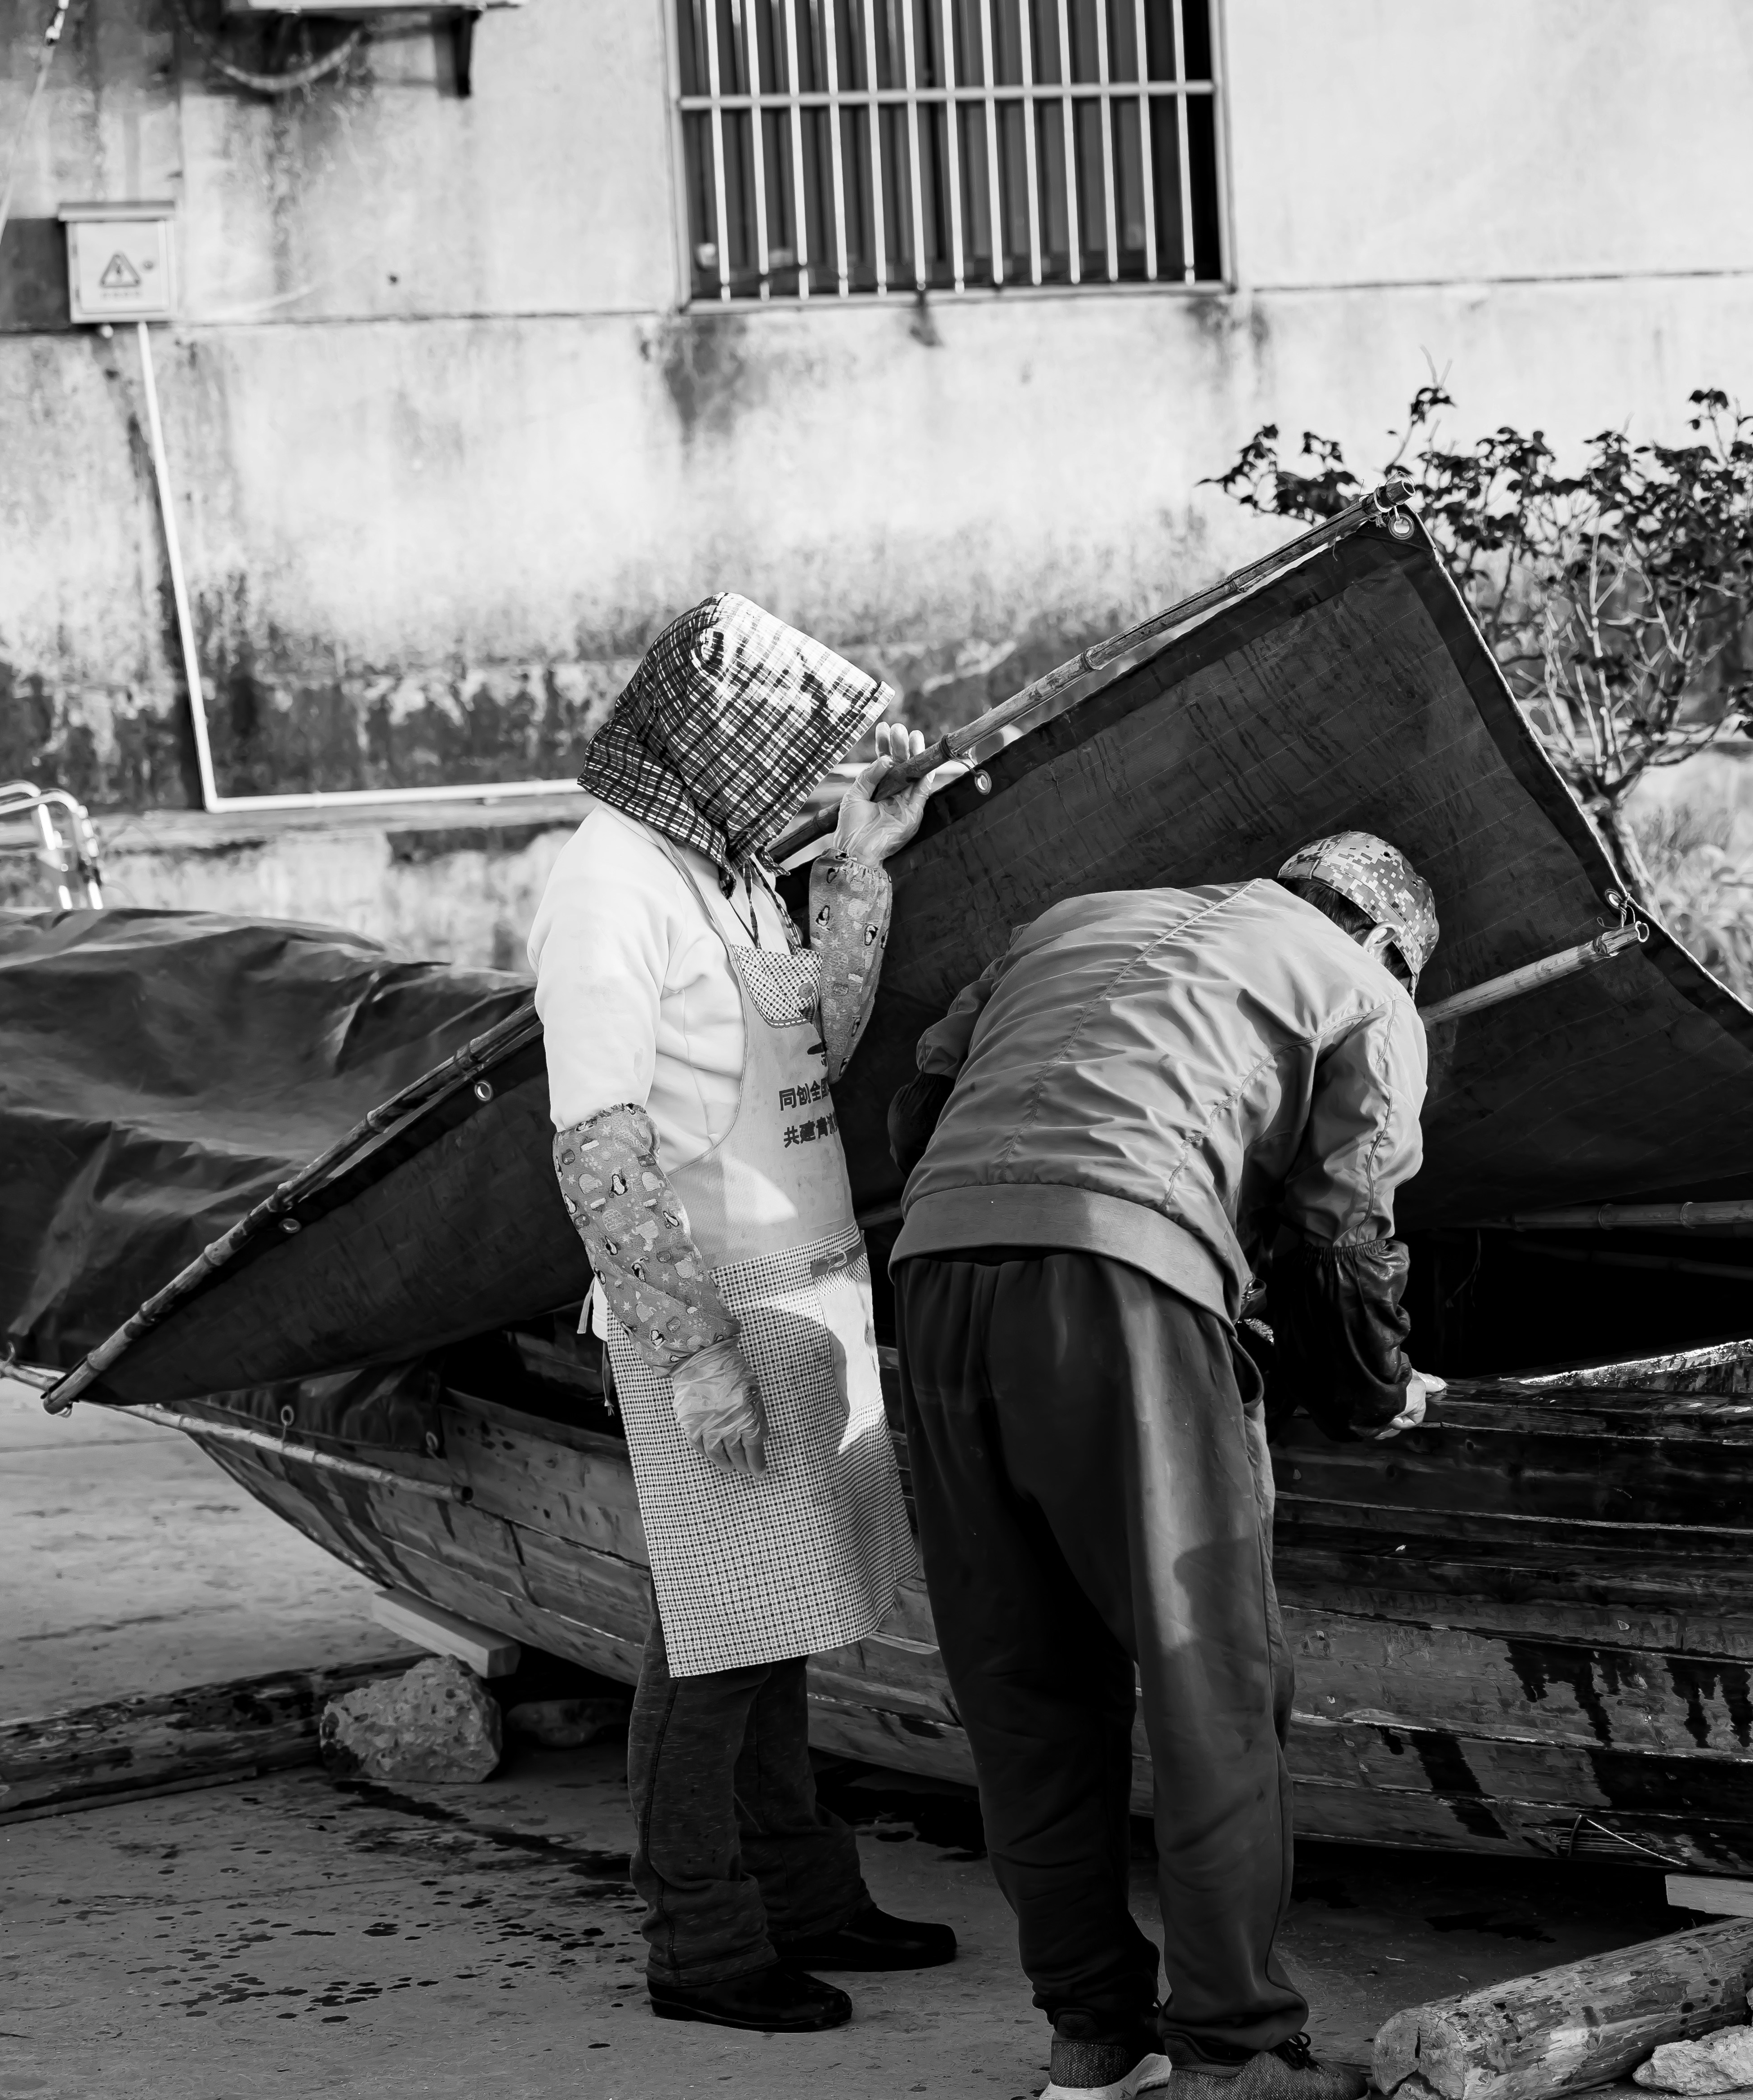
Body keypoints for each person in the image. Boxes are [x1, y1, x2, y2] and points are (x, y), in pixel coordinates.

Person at [885, 834, 1446, 2100]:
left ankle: (1092, 2040)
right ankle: (1235, 2055)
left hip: (935, 1278)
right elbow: (1347, 1233)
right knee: (1210, 1690)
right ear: (1389, 941)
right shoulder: (1368, 993)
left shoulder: (1071, 914)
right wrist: (1372, 1388)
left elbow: (921, 1102)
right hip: (1123, 1290)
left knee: (1023, 1687)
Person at [530, 592, 967, 2034]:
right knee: (711, 1646)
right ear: (711, 741)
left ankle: (808, 1896)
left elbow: (811, 1052)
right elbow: (598, 1140)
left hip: (807, 1291)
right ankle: (705, 1950)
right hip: (709, 1314)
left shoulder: (716, 866)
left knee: (775, 1629)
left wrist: (858, 879)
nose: (798, 783)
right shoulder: (610, 884)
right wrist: (695, 1349)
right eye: (784, 755)